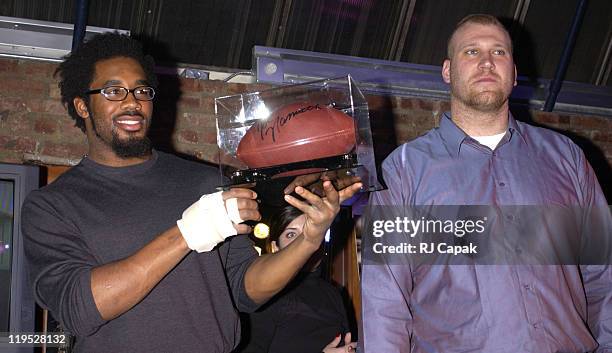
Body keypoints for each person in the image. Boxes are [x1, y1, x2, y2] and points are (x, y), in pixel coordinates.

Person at [20, 33, 362, 353]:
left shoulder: (200, 182)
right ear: (82, 106)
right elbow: (80, 308)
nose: (132, 103)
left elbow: (246, 290)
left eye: (142, 91)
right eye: (113, 92)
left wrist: (308, 240)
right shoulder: (53, 204)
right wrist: (188, 233)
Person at [361, 14, 611, 352]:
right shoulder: (404, 171)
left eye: (499, 52)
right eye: (471, 52)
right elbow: (385, 301)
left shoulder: (565, 157)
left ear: (514, 72)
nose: (487, 62)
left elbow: (603, 274)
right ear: (447, 71)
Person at [238, 205, 357, 353]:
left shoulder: (333, 293)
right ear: (275, 247)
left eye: (311, 233)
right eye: (291, 235)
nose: (304, 242)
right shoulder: (265, 291)